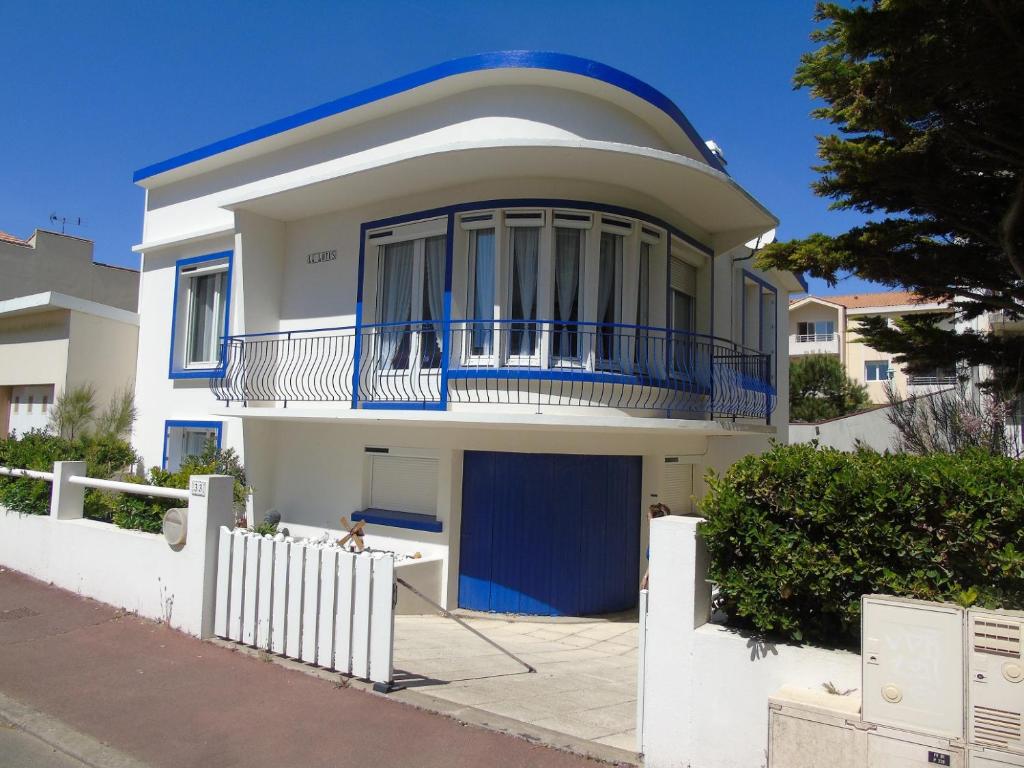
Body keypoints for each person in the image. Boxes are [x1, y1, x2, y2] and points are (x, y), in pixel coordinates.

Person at [641, 502, 670, 590]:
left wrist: (646, 577)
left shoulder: (660, 538)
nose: (647, 518)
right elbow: (652, 561)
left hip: (660, 582)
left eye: (648, 516)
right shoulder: (654, 535)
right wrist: (646, 576)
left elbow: (656, 560)